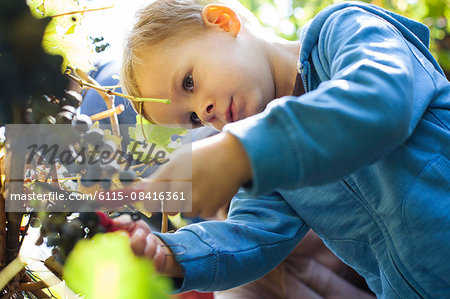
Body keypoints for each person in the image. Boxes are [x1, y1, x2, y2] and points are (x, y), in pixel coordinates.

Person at [115, 0, 450, 297]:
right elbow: (249, 237)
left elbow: (380, 100)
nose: (204, 113)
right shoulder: (266, 164)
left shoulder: (344, 28)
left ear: (222, 22)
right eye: (192, 118)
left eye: (188, 82)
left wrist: (238, 153)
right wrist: (168, 254)